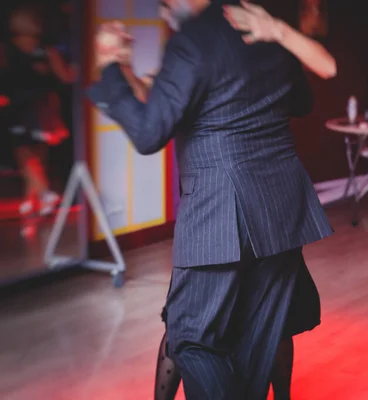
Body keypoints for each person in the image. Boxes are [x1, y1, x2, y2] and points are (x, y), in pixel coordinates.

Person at [88, 0, 333, 398]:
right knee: (256, 345)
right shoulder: (263, 26)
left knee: (188, 339)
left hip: (220, 211)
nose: (165, 5)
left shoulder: (192, 40)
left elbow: (150, 134)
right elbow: (301, 102)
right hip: (280, 209)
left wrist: (109, 66)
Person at [3, 3, 76, 223]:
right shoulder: (47, 49)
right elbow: (65, 77)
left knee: (24, 152)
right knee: (36, 152)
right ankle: (33, 198)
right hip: (43, 105)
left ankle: (43, 193)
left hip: (20, 106)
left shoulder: (7, 48)